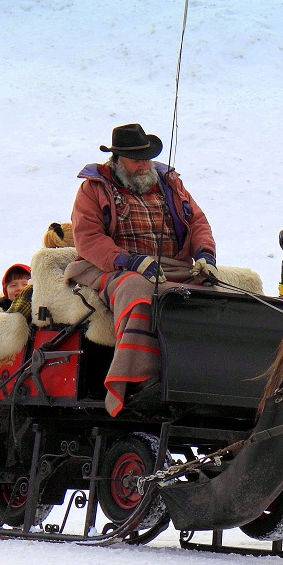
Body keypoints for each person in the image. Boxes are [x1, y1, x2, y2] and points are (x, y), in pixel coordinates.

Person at [65, 123, 218, 417]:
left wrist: (205, 256)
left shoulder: (171, 183)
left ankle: (205, 376)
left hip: (174, 266)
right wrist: (130, 261)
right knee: (139, 293)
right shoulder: (93, 189)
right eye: (137, 160)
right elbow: (88, 239)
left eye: (147, 158)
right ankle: (140, 379)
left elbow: (198, 222)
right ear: (117, 160)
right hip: (116, 267)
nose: (144, 165)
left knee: (215, 297)